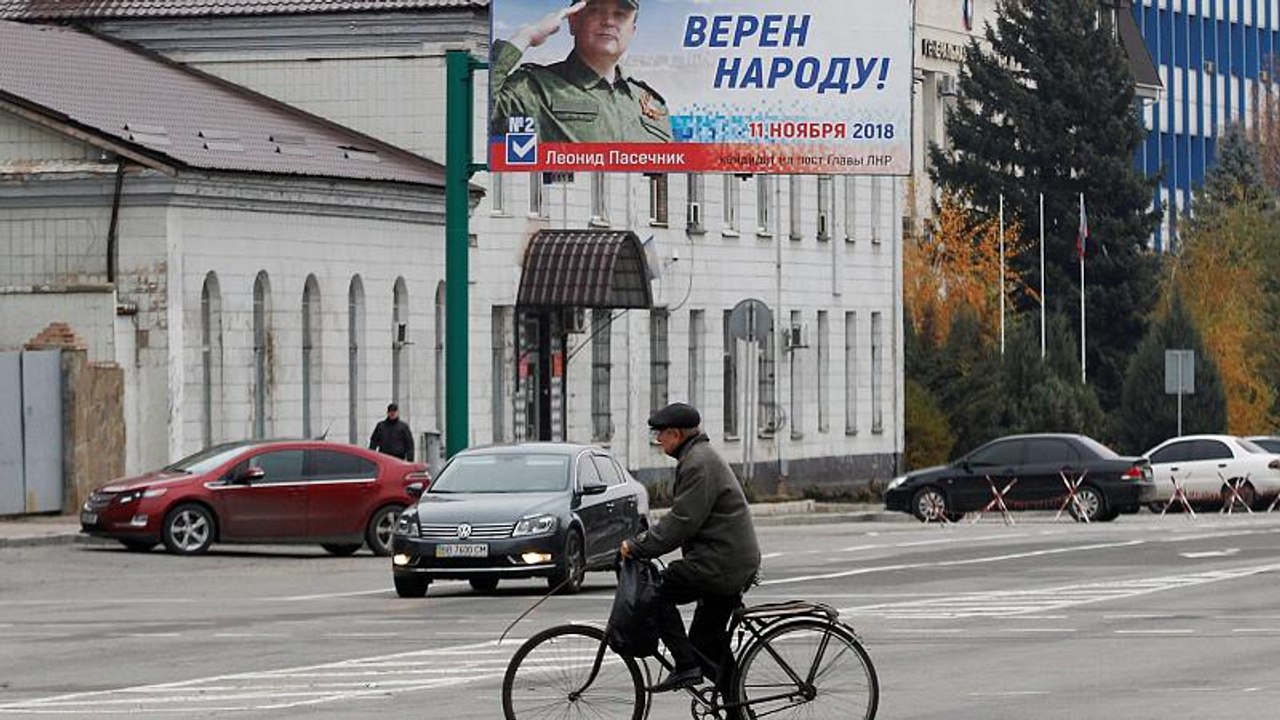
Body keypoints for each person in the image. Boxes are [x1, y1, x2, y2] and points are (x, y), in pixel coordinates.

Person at [620, 402, 761, 701]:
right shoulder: (698, 457)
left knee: (654, 592)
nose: (659, 442)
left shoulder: (697, 463)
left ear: (675, 433)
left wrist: (638, 545)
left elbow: (682, 521)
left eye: (662, 436)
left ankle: (685, 666)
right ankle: (737, 707)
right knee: (706, 643)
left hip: (720, 563)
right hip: (725, 559)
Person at [490, 0, 673, 143]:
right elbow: (478, 111)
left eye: (620, 14)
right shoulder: (534, 89)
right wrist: (526, 36)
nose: (609, 21)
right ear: (573, 22)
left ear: (632, 31)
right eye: (595, 11)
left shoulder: (652, 105)